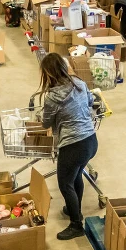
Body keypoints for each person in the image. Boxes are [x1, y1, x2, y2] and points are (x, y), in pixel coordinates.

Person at [37, 53, 98, 240]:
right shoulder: (79, 83)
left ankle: (76, 224)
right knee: (76, 175)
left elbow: (46, 123)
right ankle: (74, 209)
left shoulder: (53, 97)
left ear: (48, 73)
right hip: (90, 141)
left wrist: (41, 115)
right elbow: (89, 102)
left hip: (72, 145)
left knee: (65, 183)